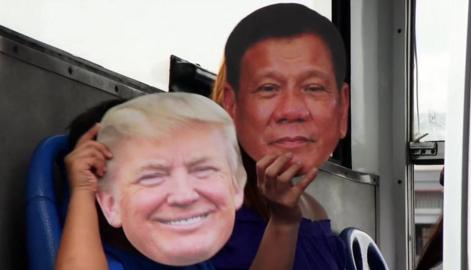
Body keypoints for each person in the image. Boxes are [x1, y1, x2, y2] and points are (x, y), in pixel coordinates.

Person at [55, 92, 315, 270]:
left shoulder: (184, 257)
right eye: (152, 176)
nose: (183, 195)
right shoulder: (110, 261)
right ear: (106, 198)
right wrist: (83, 189)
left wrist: (283, 221)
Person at [210, 3, 349, 269]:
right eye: (268, 88)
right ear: (232, 105)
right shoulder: (208, 206)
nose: (292, 111)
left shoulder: (313, 210)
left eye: (313, 88)